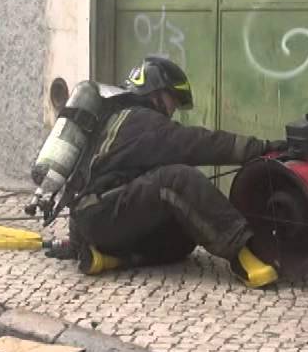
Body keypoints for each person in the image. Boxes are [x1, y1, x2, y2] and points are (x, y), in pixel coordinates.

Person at [65, 56, 289, 288]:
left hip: (93, 219)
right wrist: (263, 148)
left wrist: (76, 240)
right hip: (101, 214)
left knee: (183, 239)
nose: (173, 109)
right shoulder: (141, 121)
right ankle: (243, 254)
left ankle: (111, 259)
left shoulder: (112, 116)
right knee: (177, 179)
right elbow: (199, 143)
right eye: (174, 99)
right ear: (156, 92)